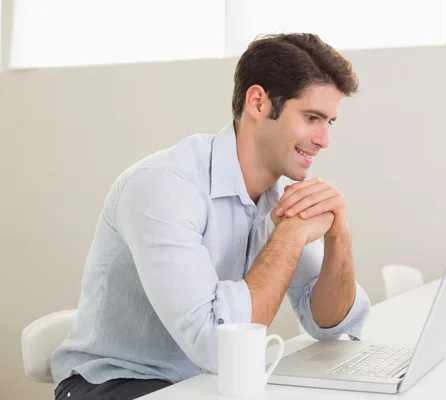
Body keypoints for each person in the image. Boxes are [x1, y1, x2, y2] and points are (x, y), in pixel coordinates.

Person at [51, 32, 371, 400]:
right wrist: (289, 237)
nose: (323, 140)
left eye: (329, 122)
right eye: (312, 117)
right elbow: (219, 348)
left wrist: (338, 236)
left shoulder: (281, 197)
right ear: (258, 102)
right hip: (114, 383)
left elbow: (330, 325)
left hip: (203, 383)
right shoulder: (164, 186)